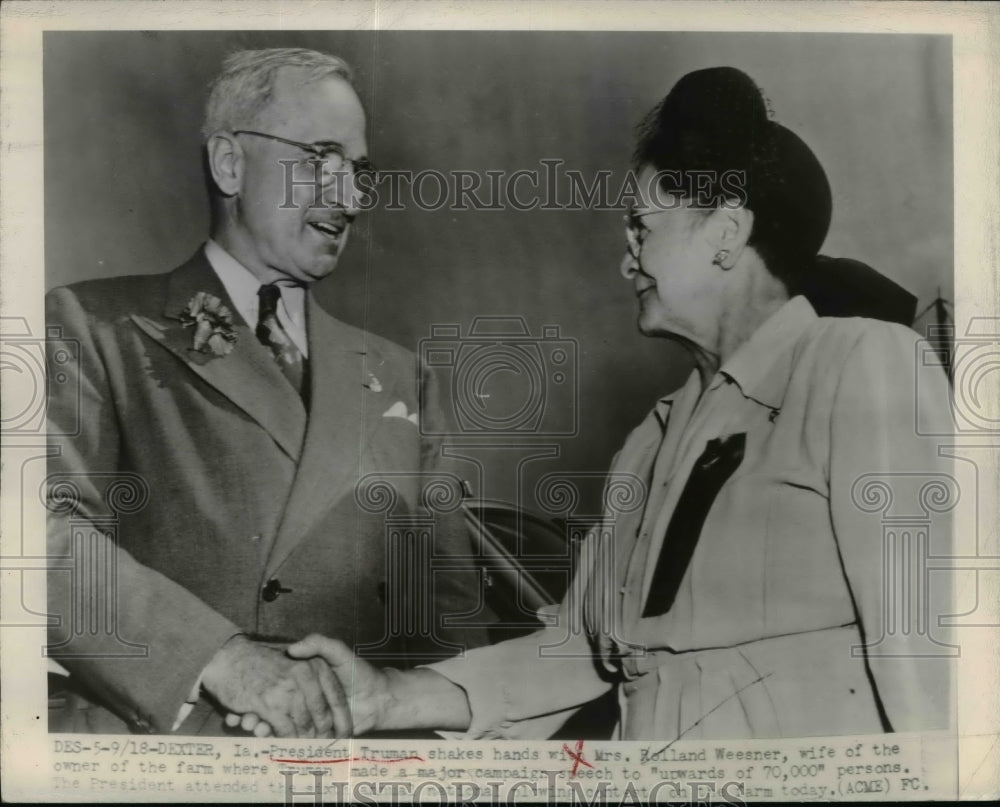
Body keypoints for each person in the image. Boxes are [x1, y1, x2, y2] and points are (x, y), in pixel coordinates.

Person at [284, 67, 955, 740]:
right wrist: (385, 697)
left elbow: (927, 652)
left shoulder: (862, 365)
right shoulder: (650, 441)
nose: (626, 262)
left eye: (641, 226)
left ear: (726, 230)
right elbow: (581, 651)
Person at [45, 48, 487, 737]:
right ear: (228, 164)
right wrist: (222, 660)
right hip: (168, 753)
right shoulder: (92, 328)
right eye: (320, 159)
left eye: (358, 171)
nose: (349, 199)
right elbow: (42, 544)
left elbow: (453, 627)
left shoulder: (405, 378)